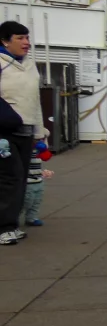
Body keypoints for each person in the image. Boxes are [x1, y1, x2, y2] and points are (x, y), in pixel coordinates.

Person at [0, 21, 46, 246]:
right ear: (5, 40)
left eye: (27, 38)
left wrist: (39, 132)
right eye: (20, 38)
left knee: (20, 179)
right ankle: (4, 227)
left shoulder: (29, 65)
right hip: (4, 132)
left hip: (26, 131)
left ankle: (11, 224)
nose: (26, 43)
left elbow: (34, 100)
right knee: (10, 177)